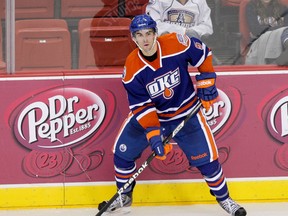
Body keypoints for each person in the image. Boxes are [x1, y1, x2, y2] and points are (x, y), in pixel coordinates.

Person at [98, 14, 247, 216]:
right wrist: (153, 135)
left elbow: (202, 54)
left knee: (208, 162)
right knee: (122, 152)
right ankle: (124, 196)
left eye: (149, 33)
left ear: (155, 33)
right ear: (133, 38)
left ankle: (225, 199)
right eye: (139, 35)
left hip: (186, 113)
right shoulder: (132, 68)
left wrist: (207, 80)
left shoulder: (175, 43)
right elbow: (142, 106)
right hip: (154, 117)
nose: (145, 40)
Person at [245, 0, 288, 65]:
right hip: (259, 41)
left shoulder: (283, 8)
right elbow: (255, 30)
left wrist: (267, 29)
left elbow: (286, 28)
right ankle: (274, 66)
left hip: (280, 40)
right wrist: (278, 30)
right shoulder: (251, 7)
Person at [145, 0, 213, 40]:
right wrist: (183, 31)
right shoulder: (157, 1)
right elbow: (152, 24)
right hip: (165, 48)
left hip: (191, 48)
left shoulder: (200, 2)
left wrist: (191, 32)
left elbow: (207, 27)